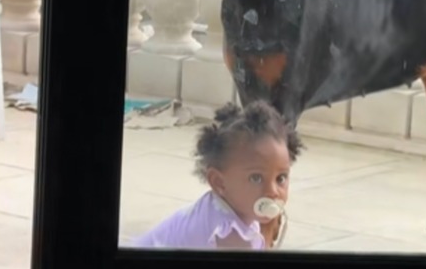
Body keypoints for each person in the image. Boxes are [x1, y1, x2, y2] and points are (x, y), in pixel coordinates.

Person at [129, 100, 305, 250]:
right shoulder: (229, 234)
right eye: (256, 178)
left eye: (280, 178)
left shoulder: (230, 206)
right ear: (219, 182)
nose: (272, 191)